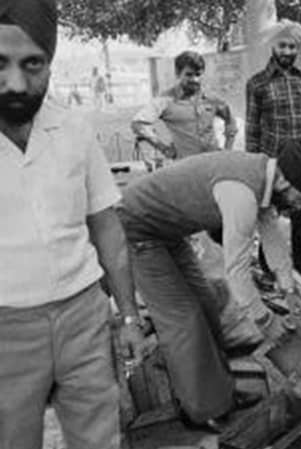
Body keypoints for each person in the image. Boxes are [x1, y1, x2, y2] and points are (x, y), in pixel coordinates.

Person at [117, 142, 301, 432]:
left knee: (208, 305)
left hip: (168, 233)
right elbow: (236, 270)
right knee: (184, 320)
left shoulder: (263, 180)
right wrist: (265, 320)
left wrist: (290, 291)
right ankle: (199, 410)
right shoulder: (242, 194)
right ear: (287, 182)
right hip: (136, 231)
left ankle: (220, 396)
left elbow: (272, 239)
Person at [0, 1, 146, 448]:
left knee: (100, 436)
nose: (16, 84)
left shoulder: (74, 128)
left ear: (50, 62)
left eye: (33, 64)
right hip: (6, 329)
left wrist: (128, 315)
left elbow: (106, 228)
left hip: (84, 317)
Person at [245, 19, 301, 286]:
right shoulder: (257, 84)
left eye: (292, 46)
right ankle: (269, 270)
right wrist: (252, 164)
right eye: (282, 46)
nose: (288, 51)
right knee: (270, 218)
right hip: (272, 163)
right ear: (273, 47)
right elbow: (252, 128)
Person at [132, 50, 238, 162]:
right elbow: (138, 124)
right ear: (178, 73)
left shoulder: (211, 98)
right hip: (186, 165)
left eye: (198, 74)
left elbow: (230, 120)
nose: (195, 80)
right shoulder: (166, 100)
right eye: (189, 75)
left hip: (213, 162)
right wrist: (164, 149)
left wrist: (228, 150)